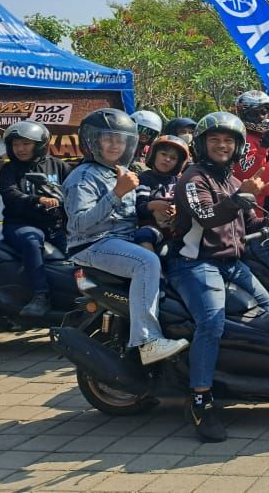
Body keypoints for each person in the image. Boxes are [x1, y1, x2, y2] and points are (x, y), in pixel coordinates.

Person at [170, 112, 269, 443]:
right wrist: (239, 198)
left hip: (232, 263)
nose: (222, 145)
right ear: (202, 144)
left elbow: (248, 222)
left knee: (268, 306)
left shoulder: (231, 181)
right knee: (211, 323)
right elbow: (207, 216)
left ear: (238, 147)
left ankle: (233, 370)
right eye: (214, 139)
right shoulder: (193, 179)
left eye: (229, 140)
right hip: (195, 263)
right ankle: (200, 399)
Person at [63, 109, 188, 365]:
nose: (114, 145)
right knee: (146, 261)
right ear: (93, 141)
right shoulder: (84, 175)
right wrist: (116, 194)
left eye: (120, 140)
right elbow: (79, 224)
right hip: (93, 244)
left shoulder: (119, 172)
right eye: (107, 139)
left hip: (121, 240)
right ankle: (147, 341)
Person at [0, 121, 71, 317]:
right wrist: (38, 199)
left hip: (55, 226)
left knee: (77, 249)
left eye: (26, 144)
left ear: (40, 145)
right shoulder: (9, 169)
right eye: (16, 144)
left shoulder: (59, 166)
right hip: (21, 225)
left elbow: (75, 190)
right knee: (32, 240)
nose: (20, 149)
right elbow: (10, 194)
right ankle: (41, 296)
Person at [135, 135, 191, 252]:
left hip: (175, 228)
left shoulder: (178, 182)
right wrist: (153, 205)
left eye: (173, 158)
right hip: (151, 225)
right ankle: (150, 260)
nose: (167, 159)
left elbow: (185, 206)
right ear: (154, 155)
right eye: (163, 154)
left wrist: (177, 210)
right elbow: (139, 208)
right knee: (144, 235)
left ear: (179, 163)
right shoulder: (145, 178)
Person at [233, 90, 269, 181]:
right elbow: (245, 174)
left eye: (264, 112)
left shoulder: (264, 135)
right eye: (254, 113)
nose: (262, 117)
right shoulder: (243, 138)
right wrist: (263, 148)